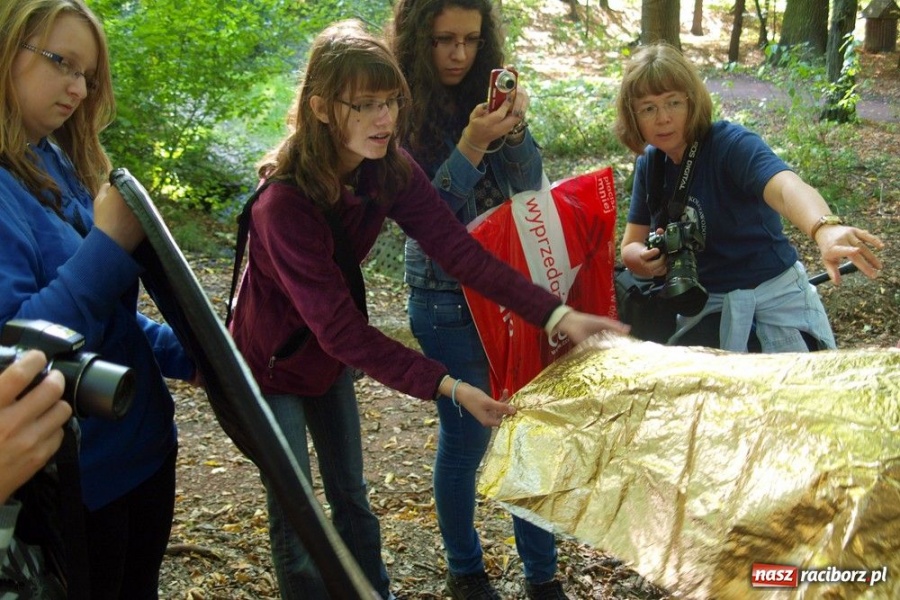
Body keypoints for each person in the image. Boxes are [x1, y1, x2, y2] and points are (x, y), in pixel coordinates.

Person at [228, 19, 627, 600]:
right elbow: (342, 330)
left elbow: (461, 253)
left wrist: (555, 316)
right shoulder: (283, 206)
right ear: (319, 108)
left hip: (326, 357)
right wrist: (449, 386)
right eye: (364, 105)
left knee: (352, 499)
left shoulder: (385, 168)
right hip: (268, 364)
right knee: (297, 511)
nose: (384, 119)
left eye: (390, 102)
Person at [0, 1, 195, 597]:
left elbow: (106, 311)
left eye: (88, 74)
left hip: (144, 449)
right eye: (63, 63)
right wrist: (111, 240)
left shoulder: (50, 156)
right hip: (81, 482)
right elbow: (16, 349)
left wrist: (190, 353)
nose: (80, 88)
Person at [387, 1, 567, 598]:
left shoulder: (484, 90)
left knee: (529, 430)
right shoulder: (395, 104)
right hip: (445, 298)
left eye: (470, 39)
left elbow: (528, 182)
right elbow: (428, 219)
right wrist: (468, 143)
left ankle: (543, 577)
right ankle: (466, 571)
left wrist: (512, 130)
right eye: (444, 41)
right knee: (467, 439)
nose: (459, 54)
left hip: (513, 286)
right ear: (419, 39)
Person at [614, 42, 884, 352]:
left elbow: (785, 187)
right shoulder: (652, 164)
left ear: (692, 102)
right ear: (633, 117)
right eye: (648, 108)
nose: (663, 118)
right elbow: (630, 246)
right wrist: (646, 261)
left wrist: (824, 227)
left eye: (673, 102)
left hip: (772, 299)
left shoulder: (729, 145)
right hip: (704, 304)